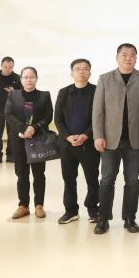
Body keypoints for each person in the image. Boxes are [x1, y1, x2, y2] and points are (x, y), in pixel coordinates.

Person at [92, 43, 139, 235]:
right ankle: (103, 219)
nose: (128, 58)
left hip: (135, 140)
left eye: (132, 55)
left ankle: (130, 218)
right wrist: (98, 135)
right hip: (110, 140)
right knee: (106, 180)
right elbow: (98, 110)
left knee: (132, 181)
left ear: (136, 58)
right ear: (117, 57)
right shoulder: (105, 79)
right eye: (124, 54)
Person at [53, 58, 99, 224]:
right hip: (67, 144)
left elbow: (99, 117)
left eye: (85, 68)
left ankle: (93, 209)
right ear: (71, 73)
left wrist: (86, 135)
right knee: (69, 179)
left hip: (89, 144)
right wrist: (67, 136)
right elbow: (58, 118)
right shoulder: (64, 92)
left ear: (90, 73)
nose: (81, 71)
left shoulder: (97, 91)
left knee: (92, 179)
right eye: (77, 69)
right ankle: (71, 211)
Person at [5, 66, 52, 219]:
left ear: (36, 79)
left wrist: (34, 128)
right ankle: (23, 206)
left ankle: (39, 205)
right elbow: (9, 114)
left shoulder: (44, 95)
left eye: (32, 77)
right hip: (19, 140)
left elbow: (48, 116)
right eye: (25, 77)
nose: (29, 80)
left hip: (38, 139)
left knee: (39, 174)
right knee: (21, 174)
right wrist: (23, 129)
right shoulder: (13, 95)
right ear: (21, 79)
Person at [0, 56, 21, 164]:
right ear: (1, 66)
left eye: (10, 67)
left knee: (12, 134)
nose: (8, 69)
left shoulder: (18, 78)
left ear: (13, 67)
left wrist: (14, 92)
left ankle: (10, 155)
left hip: (13, 111)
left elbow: (22, 95)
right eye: (5, 67)